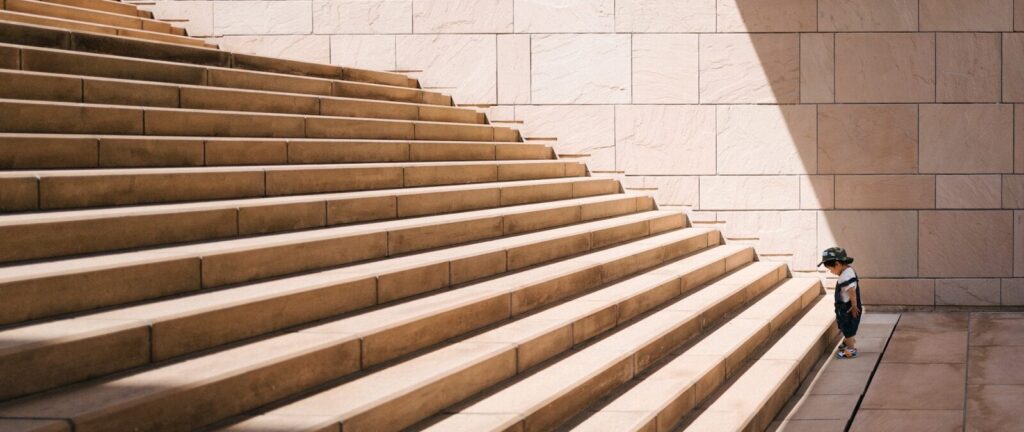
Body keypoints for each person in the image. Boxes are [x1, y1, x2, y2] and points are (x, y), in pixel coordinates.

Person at [818, 247, 861, 359]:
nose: (831, 272)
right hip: (847, 305)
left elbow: (851, 291)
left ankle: (851, 349)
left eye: (830, 269)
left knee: (848, 328)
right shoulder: (849, 270)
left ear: (837, 264)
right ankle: (847, 341)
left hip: (848, 308)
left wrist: (854, 306)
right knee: (846, 326)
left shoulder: (844, 277)